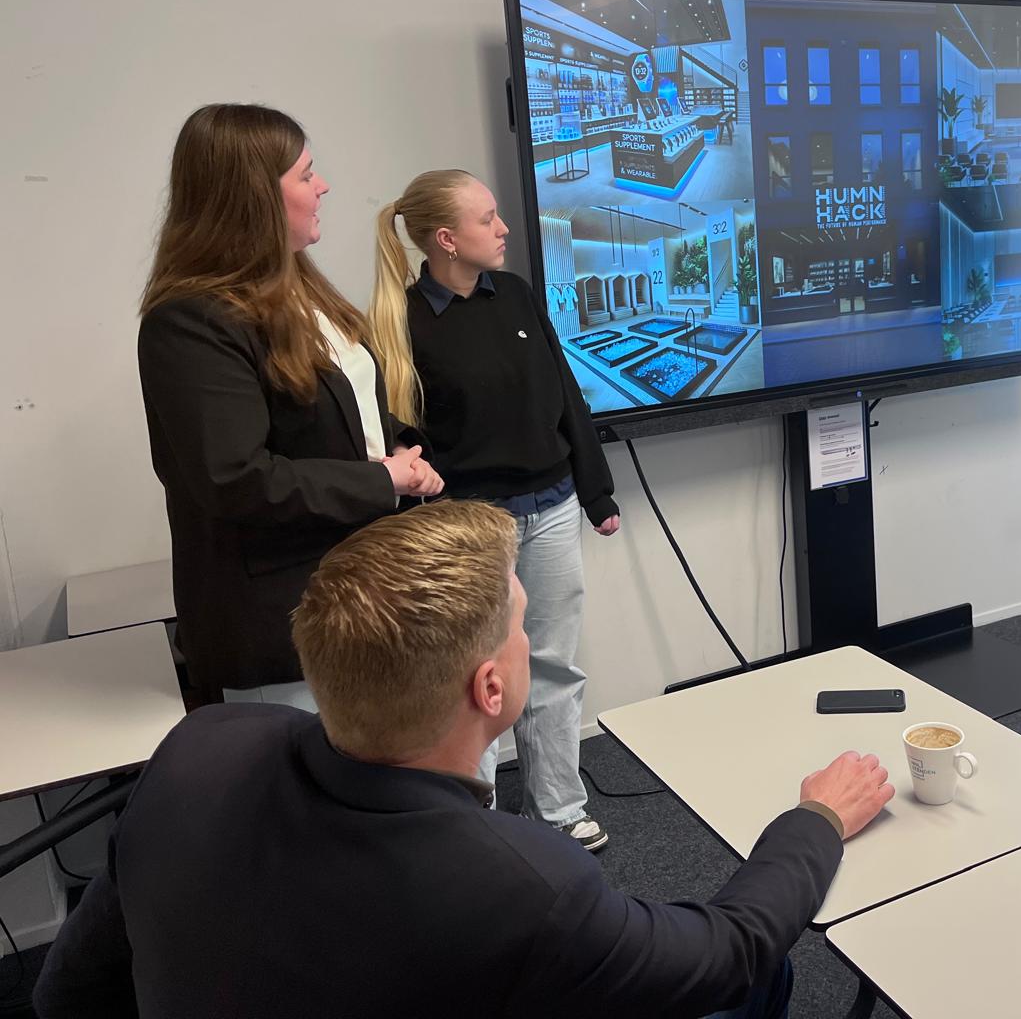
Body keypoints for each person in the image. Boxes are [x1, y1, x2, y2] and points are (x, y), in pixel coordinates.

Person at [32, 502, 894, 1019]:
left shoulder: (196, 752)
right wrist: (816, 817)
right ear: (490, 688)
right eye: (522, 625)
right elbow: (729, 949)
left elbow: (65, 999)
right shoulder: (525, 887)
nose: (531, 640)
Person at [137, 104, 443, 704]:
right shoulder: (191, 323)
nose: (322, 185)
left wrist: (405, 444)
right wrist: (383, 479)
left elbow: (342, 414)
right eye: (305, 174)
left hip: (363, 592)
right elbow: (235, 478)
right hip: (284, 623)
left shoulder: (304, 290)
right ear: (252, 196)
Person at [369, 170, 619, 851]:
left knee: (553, 665)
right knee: (469, 677)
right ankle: (471, 825)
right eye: (488, 219)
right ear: (447, 240)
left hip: (554, 505)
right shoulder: (401, 321)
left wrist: (597, 493)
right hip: (469, 527)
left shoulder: (514, 295)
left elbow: (564, 392)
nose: (504, 228)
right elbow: (398, 441)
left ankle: (561, 809)